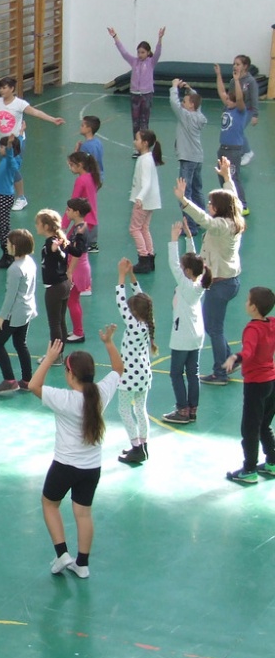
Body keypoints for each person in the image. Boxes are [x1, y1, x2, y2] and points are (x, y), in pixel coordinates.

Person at [28, 326, 124, 578]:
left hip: (64, 466)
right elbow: (118, 369)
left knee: (49, 504)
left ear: (70, 374)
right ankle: (82, 564)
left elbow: (34, 385)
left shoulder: (64, 399)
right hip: (91, 468)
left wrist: (49, 358)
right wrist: (109, 343)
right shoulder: (100, 393)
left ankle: (62, 554)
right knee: (83, 514)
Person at [174, 164, 244, 385]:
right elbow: (234, 198)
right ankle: (229, 360)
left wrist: (184, 201)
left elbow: (204, 219)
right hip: (230, 281)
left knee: (214, 328)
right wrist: (227, 178)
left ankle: (220, 372)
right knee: (215, 326)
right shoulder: (234, 217)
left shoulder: (221, 225)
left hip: (220, 284)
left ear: (219, 208)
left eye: (212, 203)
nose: (209, 205)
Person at [0, 75, 65, 210]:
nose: (1, 90)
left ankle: (21, 198)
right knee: (6, 168)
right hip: (2, 142)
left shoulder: (20, 104)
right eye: (0, 88)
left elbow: (36, 112)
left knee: (12, 168)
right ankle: (9, 194)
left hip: (16, 142)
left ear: (12, 89)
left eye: (4, 88)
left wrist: (52, 119)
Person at [222, 288, 275, 484]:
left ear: (254, 307)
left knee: (250, 429)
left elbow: (249, 352)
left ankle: (249, 470)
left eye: (247, 300)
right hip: (271, 382)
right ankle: (272, 462)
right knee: (264, 425)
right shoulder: (272, 323)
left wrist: (235, 357)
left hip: (256, 384)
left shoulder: (252, 329)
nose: (245, 303)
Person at [162, 219, 211, 425]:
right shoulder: (199, 282)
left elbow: (174, 263)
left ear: (188, 271)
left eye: (184, 267)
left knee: (176, 373)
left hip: (183, 335)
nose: (181, 268)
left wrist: (173, 240)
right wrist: (189, 237)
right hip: (197, 334)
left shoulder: (185, 285)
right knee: (193, 373)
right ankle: (192, 409)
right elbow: (194, 260)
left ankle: (182, 410)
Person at [115, 259, 157, 464]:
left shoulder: (133, 324)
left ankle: (136, 447)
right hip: (144, 373)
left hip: (129, 375)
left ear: (134, 312)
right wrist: (132, 276)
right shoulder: (147, 321)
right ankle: (144, 445)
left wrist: (121, 276)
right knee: (140, 410)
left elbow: (121, 302)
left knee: (124, 410)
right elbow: (141, 298)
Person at [0, 229, 38, 394]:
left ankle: (9, 380)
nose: (6, 245)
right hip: (27, 310)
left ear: (15, 246)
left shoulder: (14, 269)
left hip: (14, 314)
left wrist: (1, 317)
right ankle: (27, 380)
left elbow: (10, 296)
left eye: (9, 243)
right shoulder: (29, 262)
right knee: (20, 344)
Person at [108, 26, 164, 141]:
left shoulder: (151, 62)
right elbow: (123, 52)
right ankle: (136, 143)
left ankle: (144, 143)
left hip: (146, 95)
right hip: (135, 95)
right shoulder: (134, 61)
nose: (140, 55)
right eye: (138, 52)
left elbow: (158, 52)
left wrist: (160, 39)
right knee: (135, 122)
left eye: (143, 52)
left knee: (144, 122)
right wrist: (115, 37)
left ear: (148, 52)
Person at [168, 79, 207, 235]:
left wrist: (174, 87)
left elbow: (174, 103)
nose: (182, 103)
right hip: (198, 158)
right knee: (197, 190)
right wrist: (190, 89)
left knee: (185, 193)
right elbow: (197, 102)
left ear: (191, 105)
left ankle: (190, 226)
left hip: (187, 159)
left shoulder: (186, 116)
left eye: (185, 101)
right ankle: (202, 220)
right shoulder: (199, 115)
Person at [35, 209, 70, 365]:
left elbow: (57, 254)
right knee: (61, 321)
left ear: (46, 226)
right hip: (64, 285)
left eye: (38, 223)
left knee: (54, 323)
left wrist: (56, 251)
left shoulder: (52, 243)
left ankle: (55, 356)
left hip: (55, 288)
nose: (36, 226)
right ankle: (59, 354)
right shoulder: (57, 240)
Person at [214, 62, 250, 212]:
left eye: (230, 100)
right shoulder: (228, 107)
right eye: (227, 99)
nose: (227, 100)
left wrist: (236, 81)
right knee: (222, 177)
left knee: (233, 177)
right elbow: (221, 91)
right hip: (223, 148)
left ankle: (243, 205)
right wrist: (218, 75)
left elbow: (240, 99)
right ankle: (228, 202)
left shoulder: (240, 111)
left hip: (234, 150)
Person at [129, 129, 164, 274]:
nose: (134, 142)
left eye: (137, 139)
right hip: (150, 200)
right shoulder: (148, 158)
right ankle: (150, 256)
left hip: (143, 201)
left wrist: (140, 197)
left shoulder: (144, 160)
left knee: (134, 229)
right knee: (144, 228)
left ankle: (143, 258)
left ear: (145, 143)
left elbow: (146, 183)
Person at [0, 133, 23, 269]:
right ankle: (6, 246)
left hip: (5, 197)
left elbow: (13, 166)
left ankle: (9, 253)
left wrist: (9, 147)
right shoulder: (5, 159)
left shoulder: (12, 160)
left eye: (2, 147)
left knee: (4, 227)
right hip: (0, 196)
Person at [63, 198, 92, 343]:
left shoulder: (78, 231)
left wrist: (69, 272)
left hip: (77, 269)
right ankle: (77, 330)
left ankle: (78, 332)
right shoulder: (80, 226)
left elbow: (76, 254)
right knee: (74, 300)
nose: (66, 212)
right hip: (80, 267)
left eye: (69, 210)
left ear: (77, 212)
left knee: (72, 301)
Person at [63, 151, 101, 252]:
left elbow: (72, 204)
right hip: (92, 224)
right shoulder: (92, 177)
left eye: (71, 165)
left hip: (84, 225)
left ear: (80, 165)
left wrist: (63, 226)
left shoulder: (80, 180)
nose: (70, 168)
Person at [229, 55, 259, 166]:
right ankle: (240, 152)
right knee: (233, 129)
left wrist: (255, 114)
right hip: (236, 110)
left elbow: (254, 98)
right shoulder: (233, 81)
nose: (235, 66)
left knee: (239, 130)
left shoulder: (250, 81)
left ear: (245, 66)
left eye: (238, 64)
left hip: (248, 110)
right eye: (234, 64)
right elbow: (230, 97)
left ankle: (248, 152)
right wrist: (226, 110)